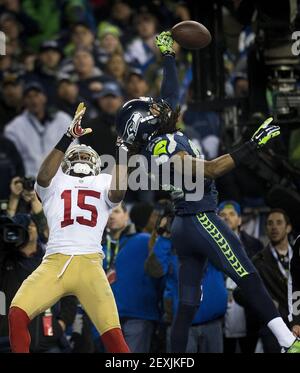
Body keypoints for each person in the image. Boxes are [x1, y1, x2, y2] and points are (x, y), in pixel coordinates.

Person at [115, 30, 300, 353]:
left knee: (187, 302)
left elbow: (169, 98)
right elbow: (212, 170)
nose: (158, 106)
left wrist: (169, 57)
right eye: (152, 109)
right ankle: (289, 342)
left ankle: (175, 358)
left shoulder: (152, 146)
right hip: (202, 219)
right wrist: (252, 145)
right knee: (248, 275)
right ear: (147, 123)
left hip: (184, 225)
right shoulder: (167, 143)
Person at [8, 102, 130, 353]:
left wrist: (123, 151)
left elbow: (118, 191)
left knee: (115, 338)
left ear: (97, 163)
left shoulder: (103, 180)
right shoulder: (55, 180)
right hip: (54, 263)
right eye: (77, 155)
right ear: (65, 162)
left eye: (87, 156)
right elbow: (42, 178)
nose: (82, 158)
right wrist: (68, 137)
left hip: (90, 265)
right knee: (17, 314)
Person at [0, 213, 77, 353]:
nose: (28, 229)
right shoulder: (6, 260)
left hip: (46, 341)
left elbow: (70, 293)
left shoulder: (52, 259)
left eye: (31, 225)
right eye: (23, 227)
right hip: (9, 342)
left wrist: (61, 324)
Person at [218, 200, 263, 353]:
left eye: (231, 214)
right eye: (222, 215)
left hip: (247, 309)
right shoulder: (208, 245)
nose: (226, 218)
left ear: (239, 220)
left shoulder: (255, 246)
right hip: (220, 311)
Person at [4, 81, 72, 177]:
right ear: (24, 101)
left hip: (60, 181)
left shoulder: (63, 119)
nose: (34, 100)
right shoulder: (14, 128)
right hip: (30, 183)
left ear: (44, 97)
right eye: (29, 97)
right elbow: (13, 161)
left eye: (36, 95)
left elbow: (73, 150)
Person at [252, 209, 294, 352]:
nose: (274, 227)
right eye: (270, 223)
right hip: (274, 331)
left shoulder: (298, 255)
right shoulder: (258, 261)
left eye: (279, 223)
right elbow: (241, 292)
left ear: (288, 227)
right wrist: (265, 303)